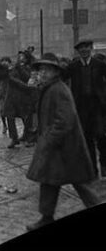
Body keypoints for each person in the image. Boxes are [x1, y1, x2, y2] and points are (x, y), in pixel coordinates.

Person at [26, 52, 100, 231]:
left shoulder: (59, 90)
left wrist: (48, 139)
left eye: (46, 70)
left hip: (67, 148)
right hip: (57, 148)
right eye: (41, 70)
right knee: (49, 181)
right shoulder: (50, 88)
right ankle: (46, 217)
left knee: (81, 184)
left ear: (55, 72)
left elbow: (65, 120)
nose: (42, 73)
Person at [65, 39, 106, 177]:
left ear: (91, 49)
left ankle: (104, 164)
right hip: (81, 108)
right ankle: (92, 169)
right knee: (87, 138)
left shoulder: (99, 64)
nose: (84, 50)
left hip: (98, 107)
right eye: (81, 49)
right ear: (78, 51)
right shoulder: (73, 66)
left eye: (86, 48)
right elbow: (61, 77)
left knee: (101, 136)